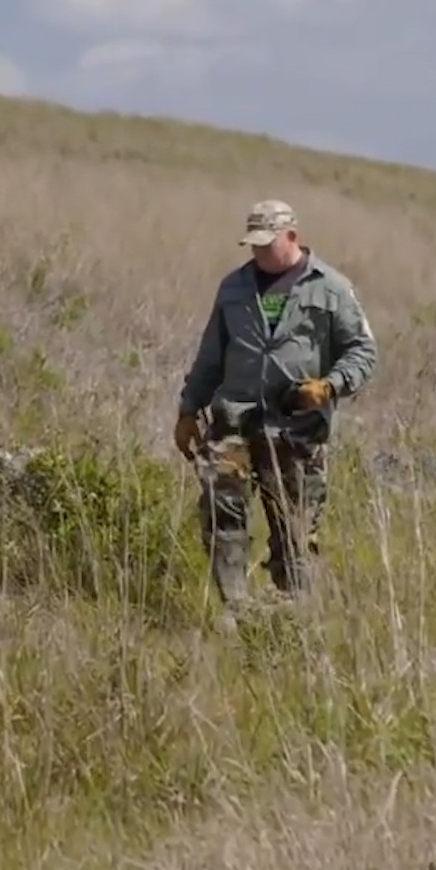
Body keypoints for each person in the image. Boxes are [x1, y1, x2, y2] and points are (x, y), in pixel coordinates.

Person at [173, 199, 378, 615]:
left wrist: (330, 386)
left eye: (268, 244)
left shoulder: (331, 288)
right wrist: (188, 410)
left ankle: (294, 619)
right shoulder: (234, 288)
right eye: (254, 245)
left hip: (297, 430)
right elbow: (211, 356)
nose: (260, 253)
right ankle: (236, 609)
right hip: (233, 422)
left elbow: (362, 351)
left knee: (296, 529)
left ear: (292, 237)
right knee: (223, 514)